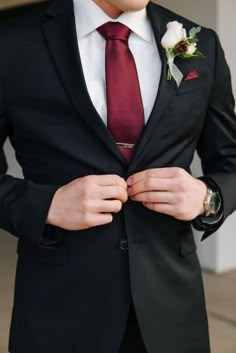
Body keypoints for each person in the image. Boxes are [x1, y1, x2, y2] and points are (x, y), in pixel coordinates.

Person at [0, 0, 236, 352]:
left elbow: (230, 160)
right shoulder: (11, 40)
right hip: (59, 311)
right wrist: (45, 205)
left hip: (171, 311)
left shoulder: (201, 44)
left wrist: (208, 197)